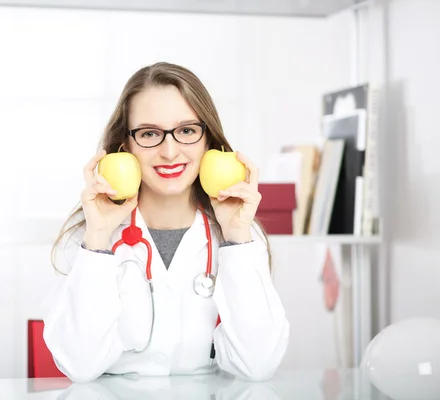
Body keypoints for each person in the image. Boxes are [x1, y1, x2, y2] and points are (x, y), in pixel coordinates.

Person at [42, 62, 289, 384]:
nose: (170, 152)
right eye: (149, 134)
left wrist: (237, 237)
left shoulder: (240, 234)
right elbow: (78, 366)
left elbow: (258, 366)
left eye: (186, 131)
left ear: (208, 141)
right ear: (125, 145)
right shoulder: (87, 234)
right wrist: (99, 239)